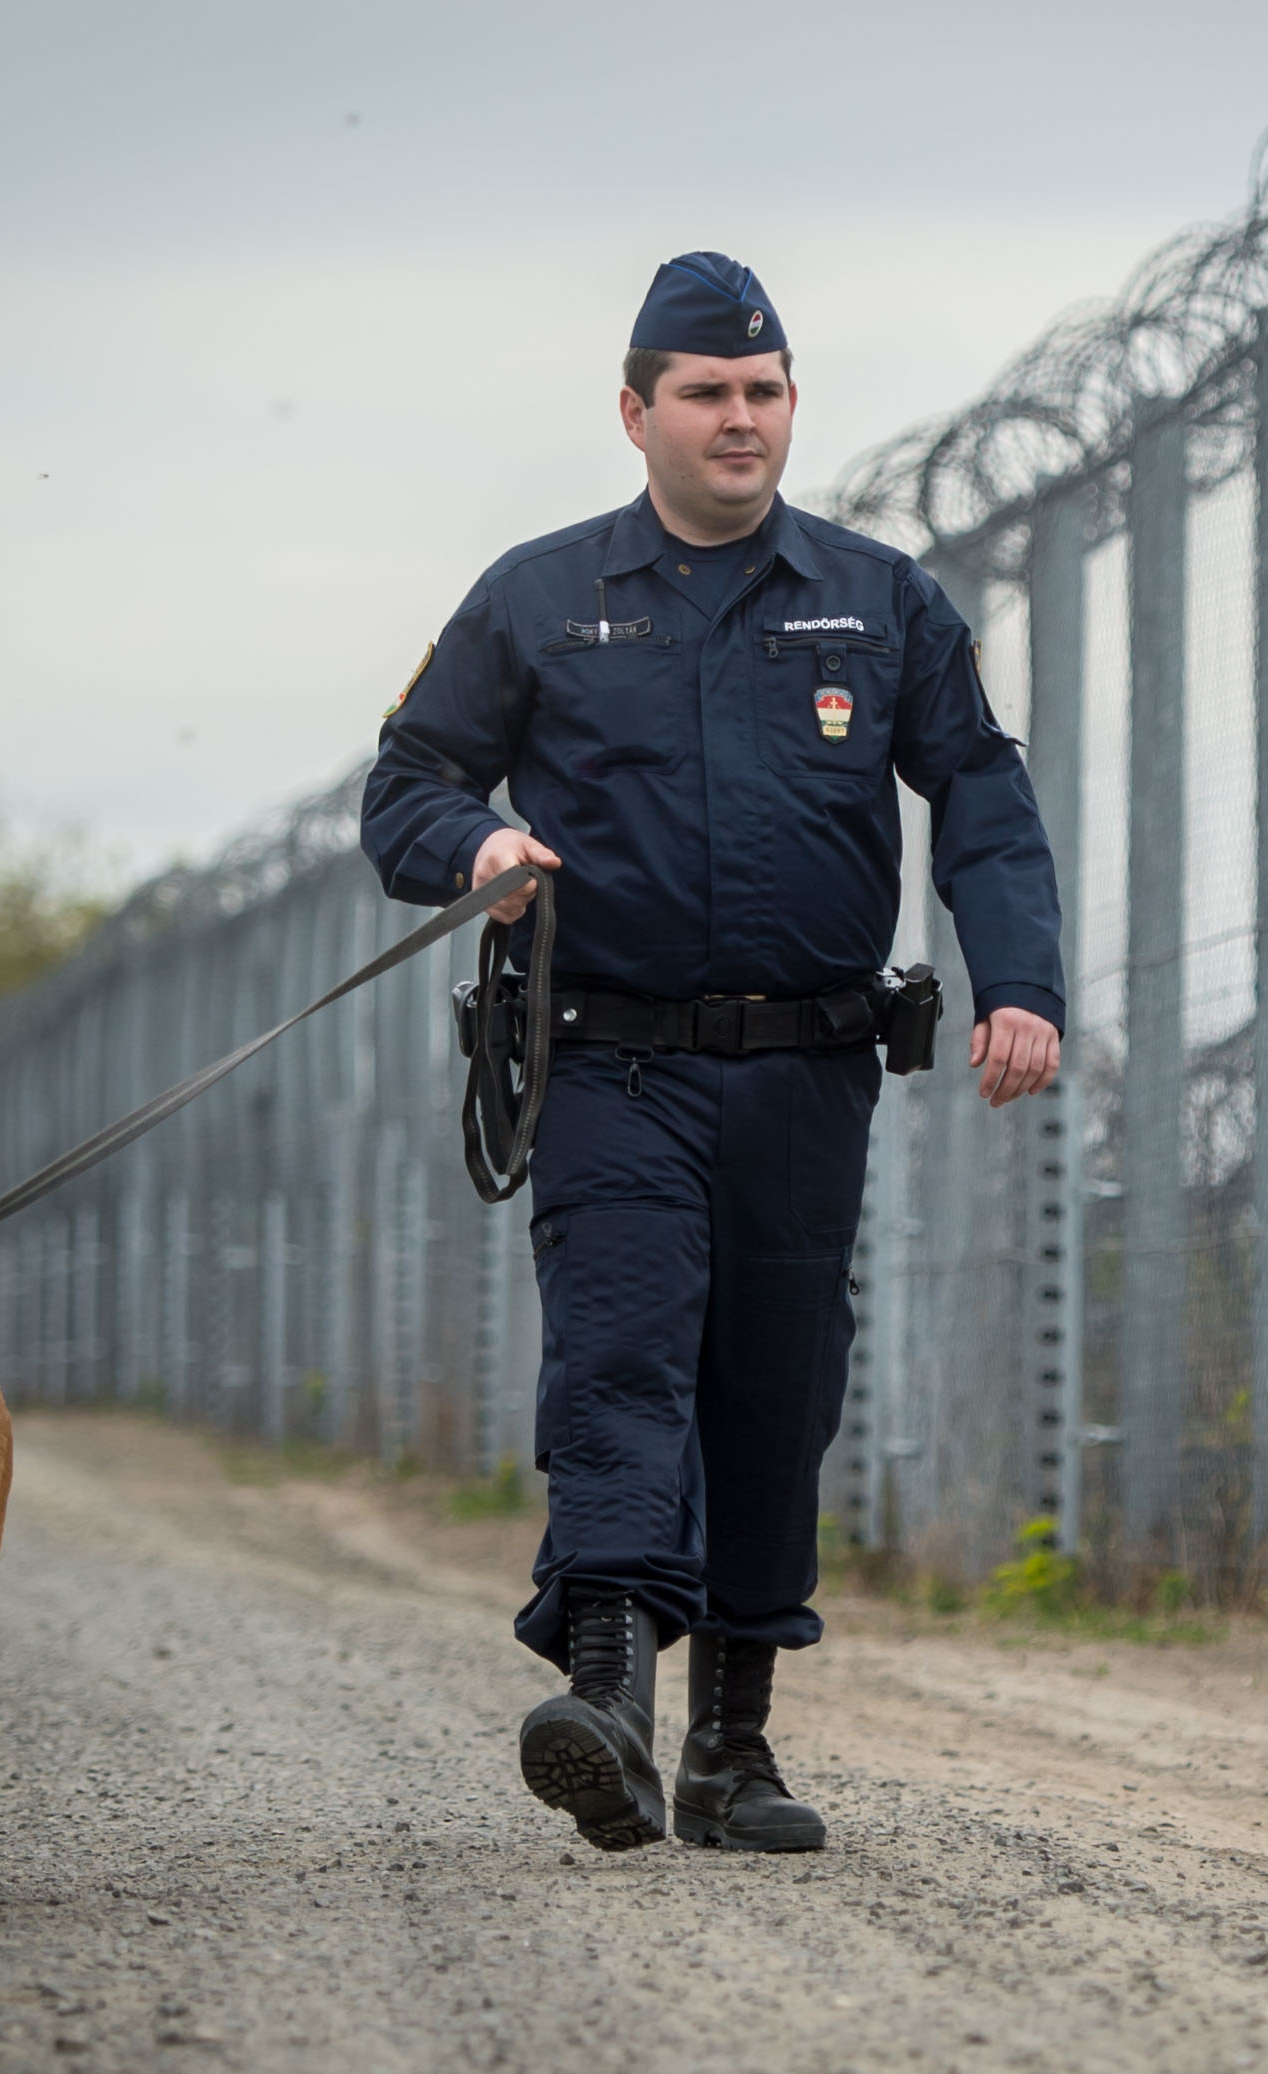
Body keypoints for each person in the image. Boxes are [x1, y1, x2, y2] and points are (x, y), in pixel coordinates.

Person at [361, 251, 1064, 1854]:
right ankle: (606, 1697)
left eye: (763, 391)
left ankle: (730, 1748)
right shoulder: (538, 597)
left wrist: (1018, 984)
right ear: (637, 413)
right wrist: (476, 846)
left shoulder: (882, 599)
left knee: (775, 1390)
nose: (738, 419)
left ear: (792, 405)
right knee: (619, 1361)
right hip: (609, 1062)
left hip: (811, 1070)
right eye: (705, 393)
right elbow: (404, 787)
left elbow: (982, 798)